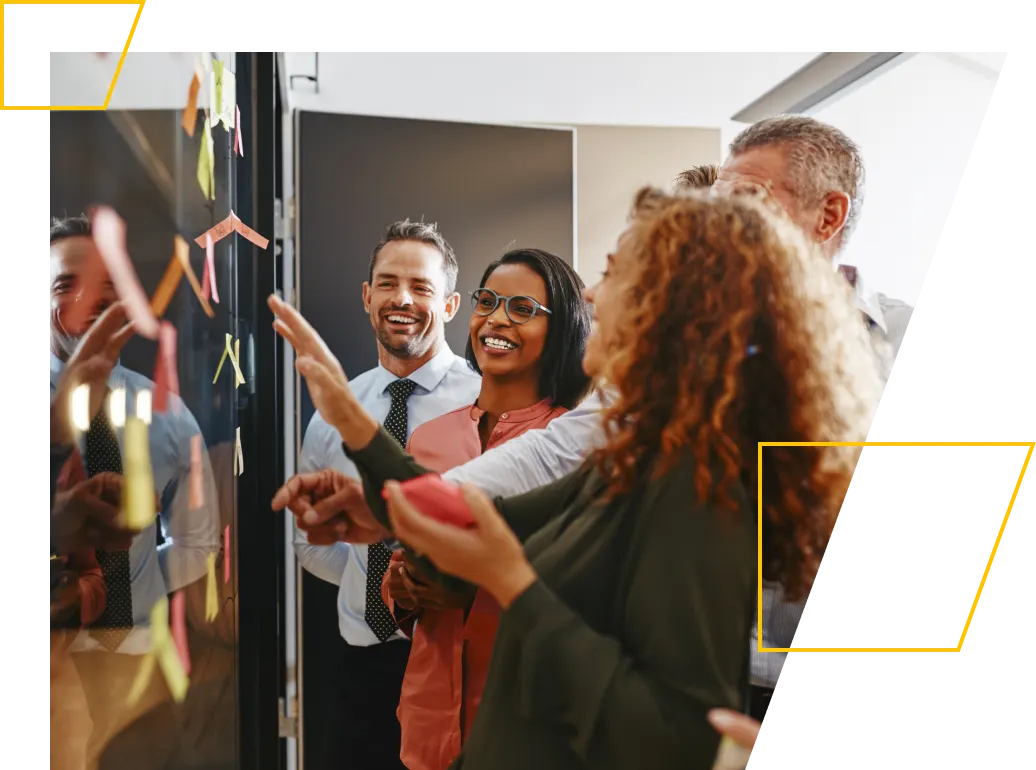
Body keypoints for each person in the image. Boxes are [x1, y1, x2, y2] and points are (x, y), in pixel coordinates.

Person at [269, 187, 879, 769]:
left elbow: (673, 738)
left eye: (614, 273)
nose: (588, 294)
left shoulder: (701, 486)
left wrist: (507, 580)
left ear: (677, 308)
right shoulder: (634, 453)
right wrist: (378, 500)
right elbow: (484, 513)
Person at [382, 248, 591, 770]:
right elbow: (396, 564)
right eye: (489, 302)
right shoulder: (428, 438)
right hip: (428, 722)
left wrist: (474, 591)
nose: (497, 319)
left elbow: (584, 588)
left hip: (527, 728)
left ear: (561, 328)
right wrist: (404, 589)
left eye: (522, 309)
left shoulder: (570, 442)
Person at [293, 219, 481, 770]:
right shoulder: (336, 408)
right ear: (366, 296)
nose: (402, 298)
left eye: (421, 287)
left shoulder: (484, 405)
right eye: (388, 282)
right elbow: (310, 542)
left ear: (449, 306)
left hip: (454, 658)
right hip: (360, 662)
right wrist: (367, 579)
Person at [48, 214, 220, 769]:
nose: (87, 301)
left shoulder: (168, 412)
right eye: (64, 284)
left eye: (106, 286)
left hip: (140, 666)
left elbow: (198, 541)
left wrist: (135, 591)